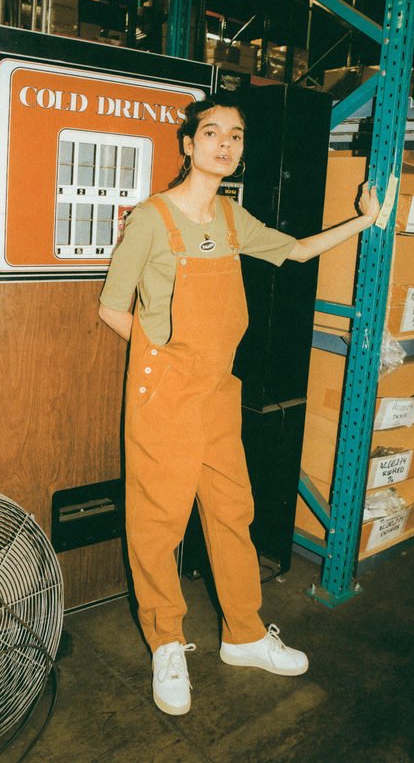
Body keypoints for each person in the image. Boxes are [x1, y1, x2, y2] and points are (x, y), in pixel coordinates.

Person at [97, 92, 379, 716]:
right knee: (157, 524)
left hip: (221, 391)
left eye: (236, 135)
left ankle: (244, 635)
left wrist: (366, 219)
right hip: (166, 393)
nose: (224, 144)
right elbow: (113, 307)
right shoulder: (152, 218)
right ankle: (166, 644)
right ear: (188, 144)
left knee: (231, 513)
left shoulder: (230, 218)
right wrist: (163, 359)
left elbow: (297, 250)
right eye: (212, 132)